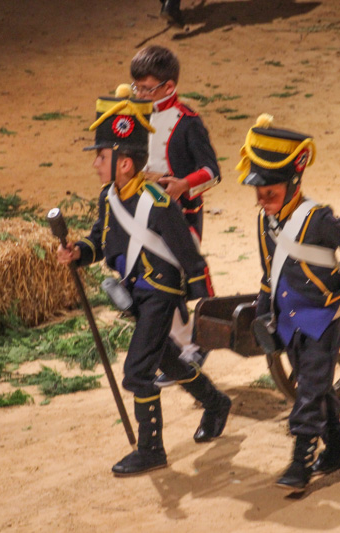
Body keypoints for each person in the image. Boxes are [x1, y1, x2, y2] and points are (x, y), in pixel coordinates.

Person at [57, 86, 231, 476]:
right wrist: (79, 253)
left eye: (102, 157)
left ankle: (151, 449)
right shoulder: (109, 197)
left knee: (137, 371)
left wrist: (200, 303)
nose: (95, 164)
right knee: (166, 358)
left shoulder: (159, 202)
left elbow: (188, 255)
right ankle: (216, 402)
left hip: (161, 293)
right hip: (136, 293)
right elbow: (101, 240)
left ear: (124, 163)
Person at [237, 114, 340, 491]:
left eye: (270, 194)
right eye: (259, 195)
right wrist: (265, 313)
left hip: (323, 316)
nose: (263, 202)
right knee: (317, 387)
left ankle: (301, 462)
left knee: (308, 392)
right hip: (289, 319)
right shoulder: (267, 222)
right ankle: (339, 447)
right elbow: (269, 271)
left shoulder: (317, 218)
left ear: (293, 184)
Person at [130, 45, 221, 385]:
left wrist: (183, 184)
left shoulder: (188, 122)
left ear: (169, 87)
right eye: (137, 88)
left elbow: (212, 171)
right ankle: (172, 348)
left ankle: (192, 345)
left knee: (173, 277)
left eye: (146, 88)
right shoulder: (136, 116)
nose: (140, 94)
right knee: (150, 276)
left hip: (180, 213)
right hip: (144, 209)